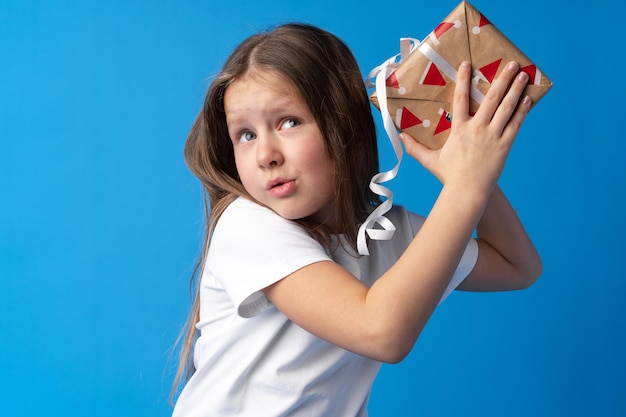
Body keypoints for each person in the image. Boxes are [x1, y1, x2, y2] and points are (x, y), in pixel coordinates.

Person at [171, 23, 542, 416]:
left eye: (289, 122)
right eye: (245, 135)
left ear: (342, 125)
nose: (266, 154)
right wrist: (465, 186)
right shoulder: (247, 225)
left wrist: (467, 166)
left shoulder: (386, 233)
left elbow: (516, 266)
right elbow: (380, 331)